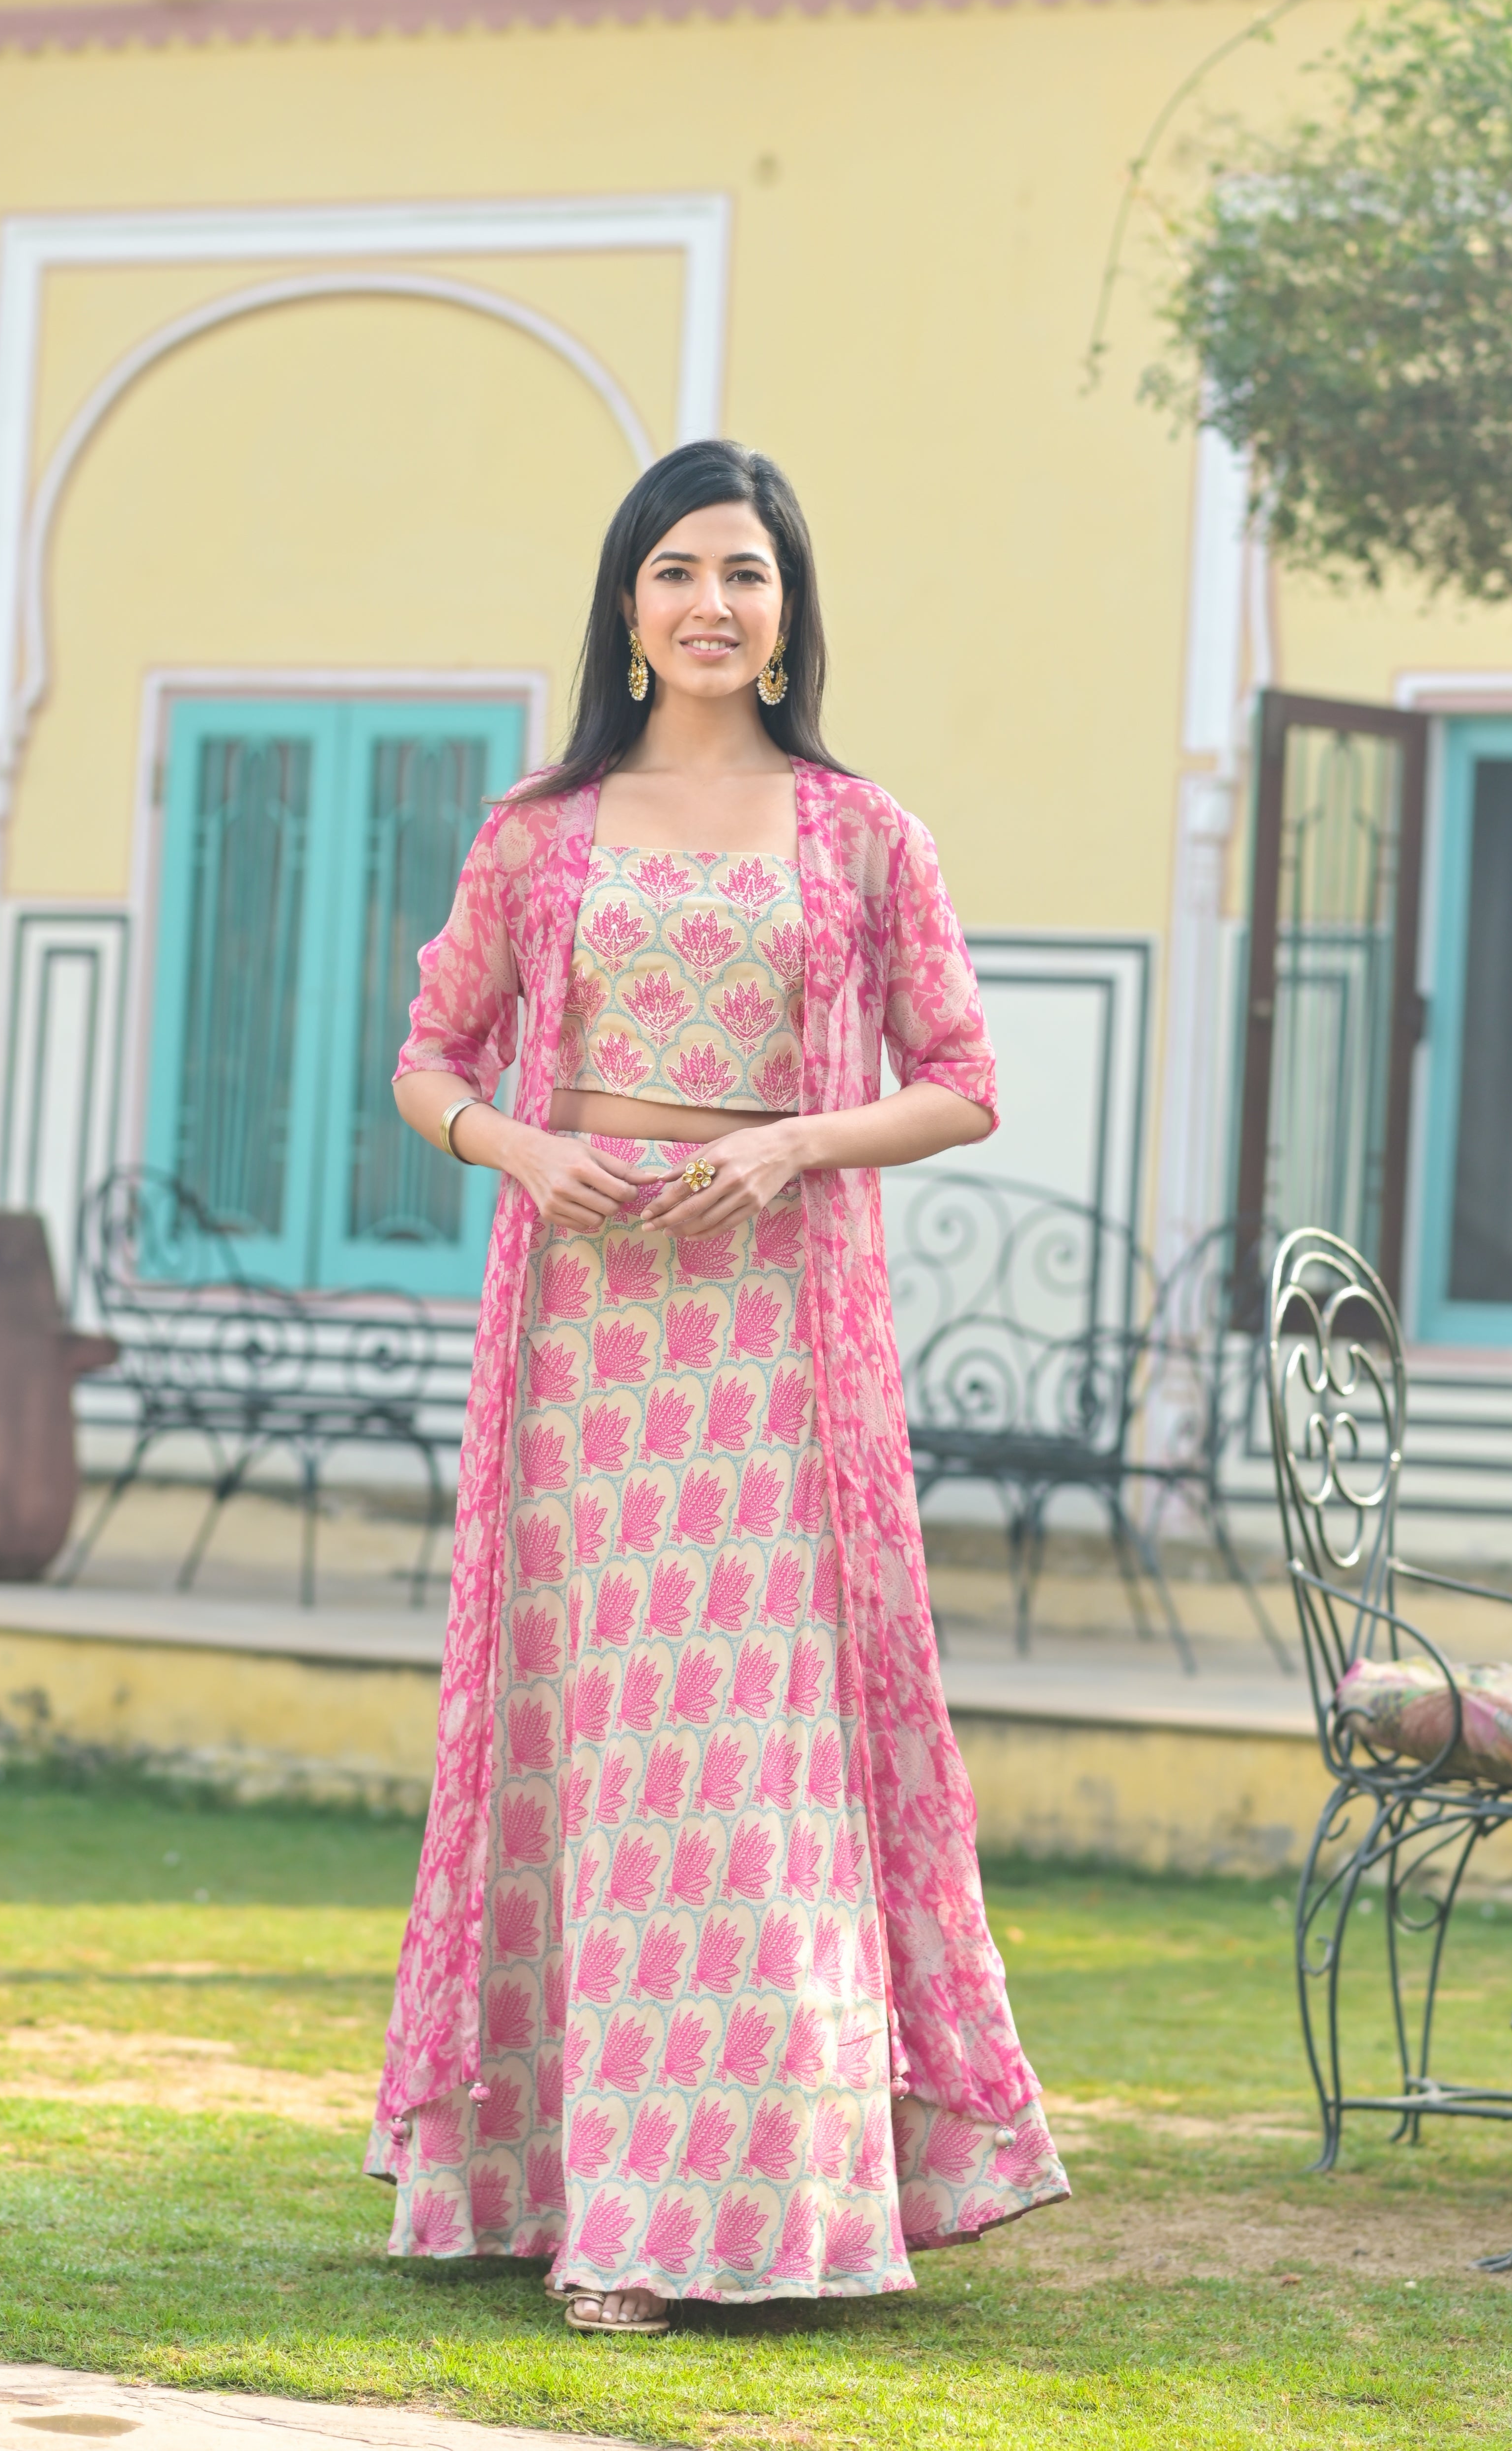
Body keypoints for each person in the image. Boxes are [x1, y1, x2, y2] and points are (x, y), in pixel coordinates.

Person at [365, 440, 1067, 2332]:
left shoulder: (861, 832)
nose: (710, 603)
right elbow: (431, 1055)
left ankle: (723, 2211)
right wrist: (520, 1152)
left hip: (771, 1338)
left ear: (786, 612)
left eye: (745, 573)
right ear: (626, 604)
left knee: (744, 1760)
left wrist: (794, 1146)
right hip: (584, 1340)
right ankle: (554, 2188)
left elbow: (962, 1079)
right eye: (677, 570)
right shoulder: (538, 833)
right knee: (597, 1749)